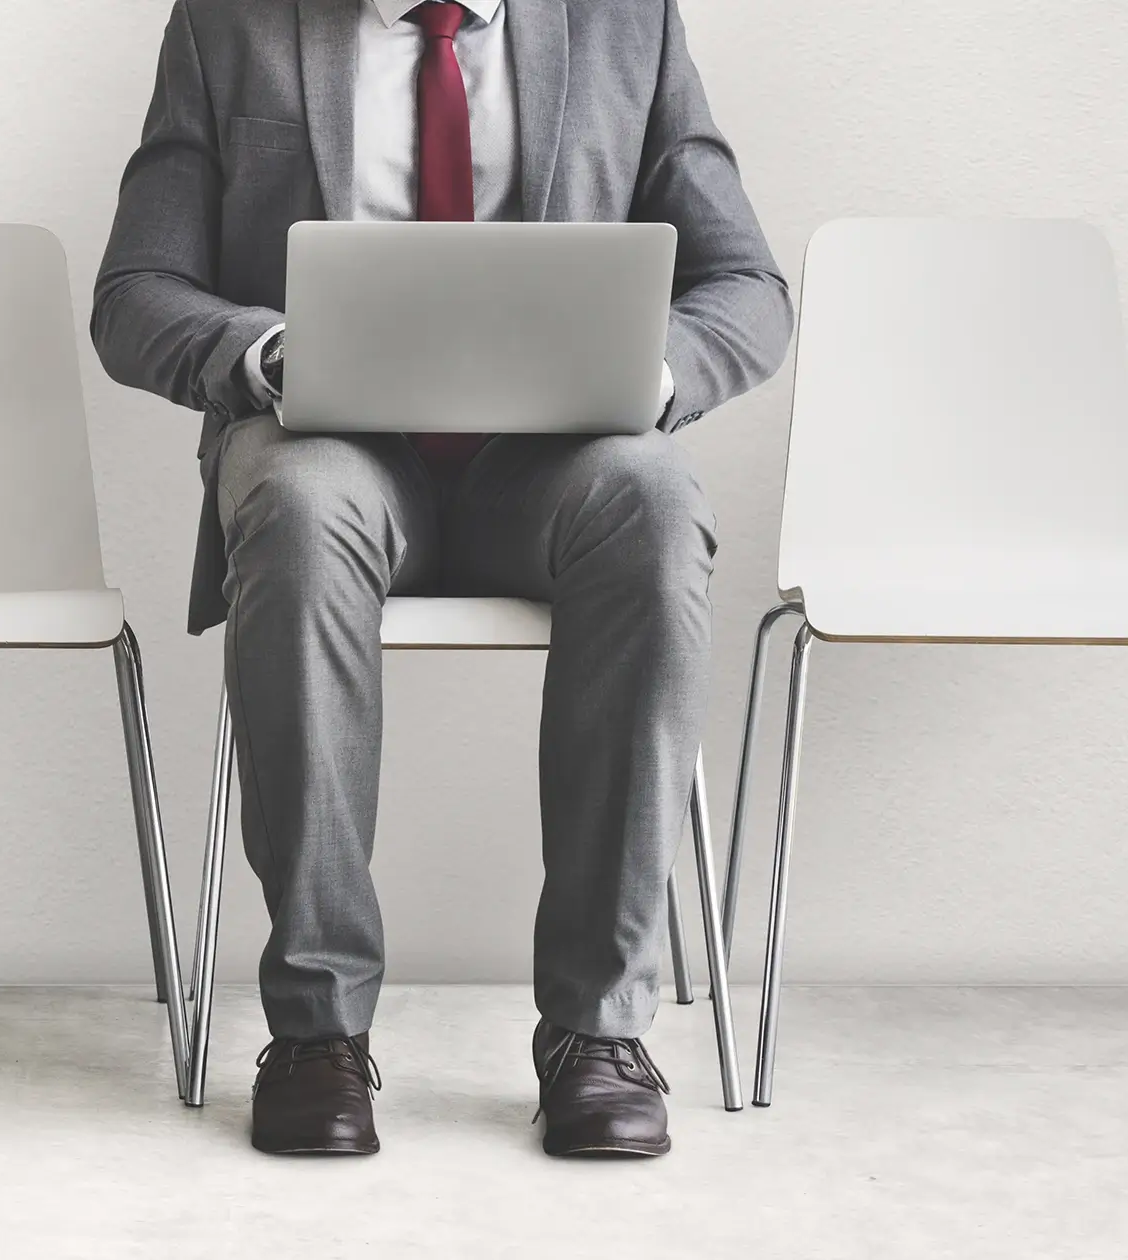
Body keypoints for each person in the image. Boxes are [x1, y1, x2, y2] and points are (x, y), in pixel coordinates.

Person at [92, 0, 792, 1158]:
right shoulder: (232, 23)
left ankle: (597, 1031)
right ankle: (318, 1033)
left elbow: (748, 285)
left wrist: (657, 372)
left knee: (657, 501)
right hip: (335, 450)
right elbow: (135, 294)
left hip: (555, 468)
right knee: (302, 503)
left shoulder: (629, 24)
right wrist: (262, 355)